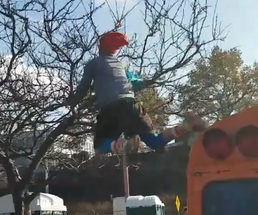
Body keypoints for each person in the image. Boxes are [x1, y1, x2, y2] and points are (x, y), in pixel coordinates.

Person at [67, 30, 208, 155]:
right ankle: (184, 126)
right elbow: (136, 83)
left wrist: (72, 101)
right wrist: (150, 81)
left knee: (99, 146)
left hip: (111, 108)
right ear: (115, 51)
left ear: (100, 48)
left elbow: (83, 87)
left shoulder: (93, 64)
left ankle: (121, 145)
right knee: (154, 142)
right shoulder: (121, 66)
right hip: (133, 106)